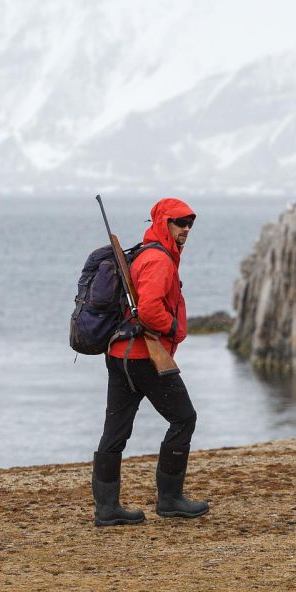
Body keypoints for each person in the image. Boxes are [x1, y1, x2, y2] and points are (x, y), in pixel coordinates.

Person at [90, 197, 209, 527]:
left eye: (190, 223)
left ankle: (107, 508)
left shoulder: (145, 254)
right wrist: (175, 328)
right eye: (179, 222)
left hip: (119, 355)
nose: (185, 229)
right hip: (143, 357)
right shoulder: (159, 261)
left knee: (114, 432)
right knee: (184, 418)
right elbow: (151, 310)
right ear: (163, 223)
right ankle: (170, 500)